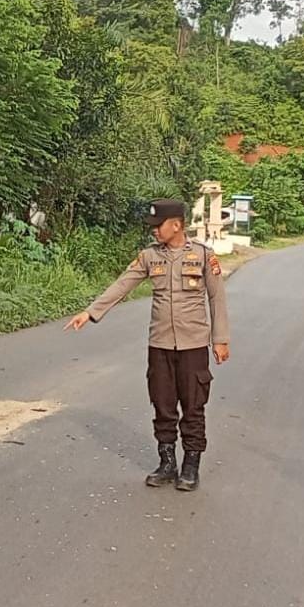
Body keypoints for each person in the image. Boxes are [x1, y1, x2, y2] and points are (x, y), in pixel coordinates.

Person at [67, 199, 230, 491]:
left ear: (176, 225)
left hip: (193, 345)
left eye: (159, 226)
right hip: (160, 344)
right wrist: (91, 312)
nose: (154, 231)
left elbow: (216, 298)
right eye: (152, 227)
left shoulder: (204, 256)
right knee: (163, 404)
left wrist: (220, 339)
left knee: (193, 406)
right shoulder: (149, 257)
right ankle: (167, 462)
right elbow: (122, 285)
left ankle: (190, 465)